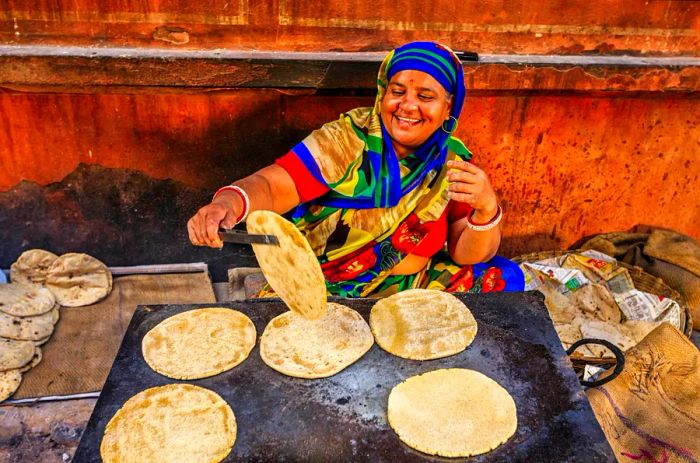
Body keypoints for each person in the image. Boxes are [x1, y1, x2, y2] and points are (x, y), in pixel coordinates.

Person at [188, 41, 525, 297]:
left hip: (409, 286)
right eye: (398, 91)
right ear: (382, 93)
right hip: (327, 284)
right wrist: (226, 205)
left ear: (448, 105)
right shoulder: (346, 140)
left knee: (505, 280)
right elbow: (274, 186)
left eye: (426, 96)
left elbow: (466, 254)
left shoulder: (452, 163)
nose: (408, 105)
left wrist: (486, 208)